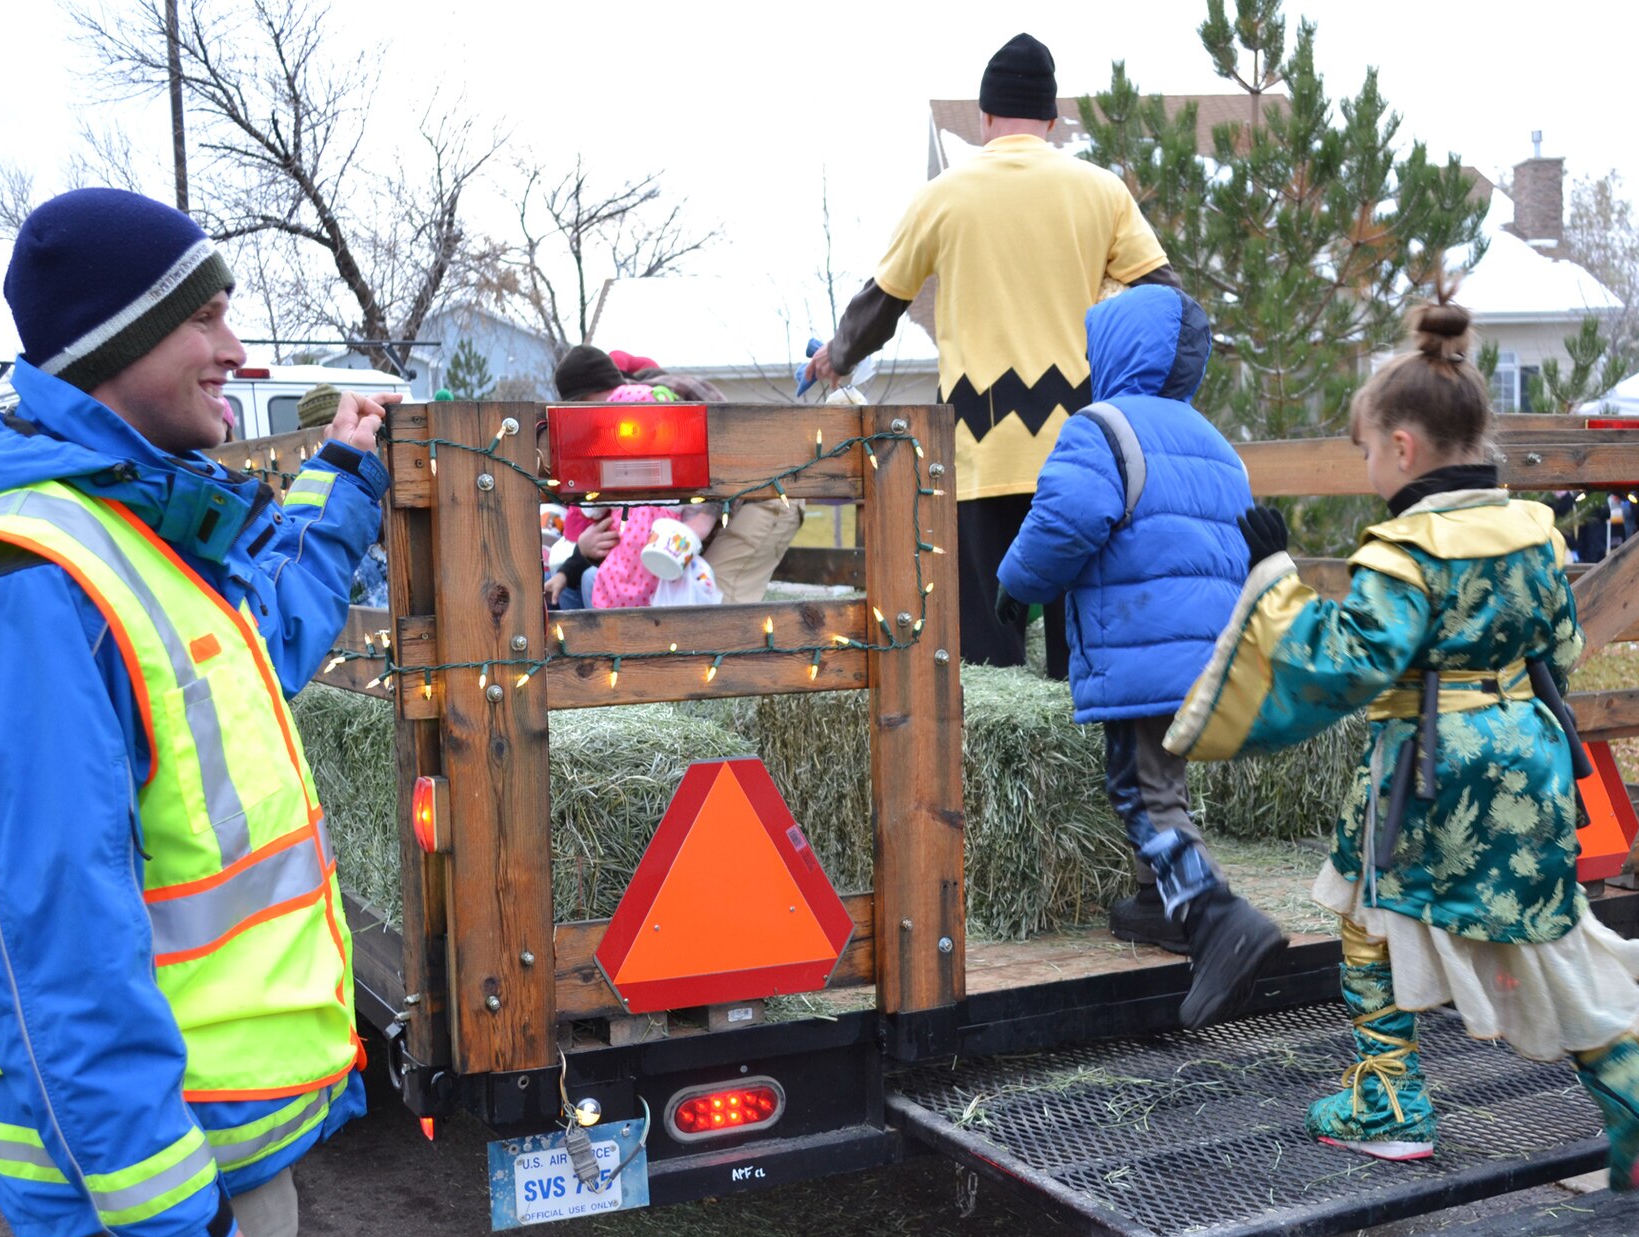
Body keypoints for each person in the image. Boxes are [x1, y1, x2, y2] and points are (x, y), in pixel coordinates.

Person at [0, 188, 392, 1237]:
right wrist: (160, 1205)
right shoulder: (30, 576)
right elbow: (46, 929)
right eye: (204, 318)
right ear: (116, 342)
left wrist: (339, 478)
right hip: (155, 1214)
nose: (235, 348)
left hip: (209, 1175)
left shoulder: (135, 534)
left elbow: (264, 641)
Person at [1166, 291, 1639, 1188]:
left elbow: (1347, 663)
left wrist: (1274, 577)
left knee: (1363, 910)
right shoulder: (1530, 531)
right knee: (1539, 929)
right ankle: (1638, 1084)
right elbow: (1562, 644)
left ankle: (1388, 1101)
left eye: (1367, 449)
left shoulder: (1404, 551)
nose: (1368, 464)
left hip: (1430, 768)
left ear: (1403, 448)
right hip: (1529, 756)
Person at [805, 33, 1187, 673]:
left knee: (984, 657)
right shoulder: (1102, 192)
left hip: (976, 452)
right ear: (1053, 117)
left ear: (984, 117)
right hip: (1083, 453)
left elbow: (882, 304)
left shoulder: (943, 195)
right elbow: (1167, 304)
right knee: (1083, 648)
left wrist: (836, 360)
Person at [995, 285, 1288, 1022]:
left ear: (1114, 351)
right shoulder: (1213, 441)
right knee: (1165, 782)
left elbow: (1067, 519)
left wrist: (1015, 587)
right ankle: (1167, 903)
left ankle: (1218, 919)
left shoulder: (1103, 427)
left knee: (1139, 789)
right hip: (1209, 654)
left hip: (1143, 649)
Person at [551, 344, 799, 604]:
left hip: (762, 495)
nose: (591, 422)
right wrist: (580, 554)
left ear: (595, 394)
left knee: (714, 604)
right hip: (707, 514)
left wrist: (699, 523)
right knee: (676, 599)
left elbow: (729, 451)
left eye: (586, 409)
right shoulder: (620, 435)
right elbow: (626, 515)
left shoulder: (672, 396)